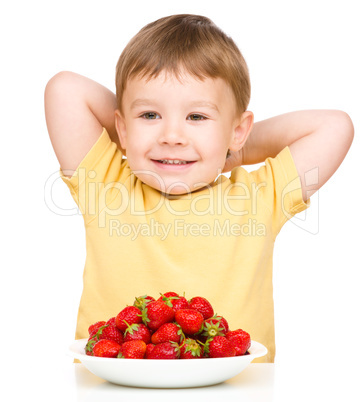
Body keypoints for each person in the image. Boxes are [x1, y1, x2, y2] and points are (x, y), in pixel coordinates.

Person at [44, 14, 353, 362]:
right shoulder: (105, 185)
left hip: (236, 390)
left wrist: (234, 150)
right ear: (123, 127)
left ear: (238, 129)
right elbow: (65, 89)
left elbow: (334, 126)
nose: (172, 137)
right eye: (149, 115)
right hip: (112, 387)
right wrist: (138, 138)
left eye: (197, 117)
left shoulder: (258, 198)